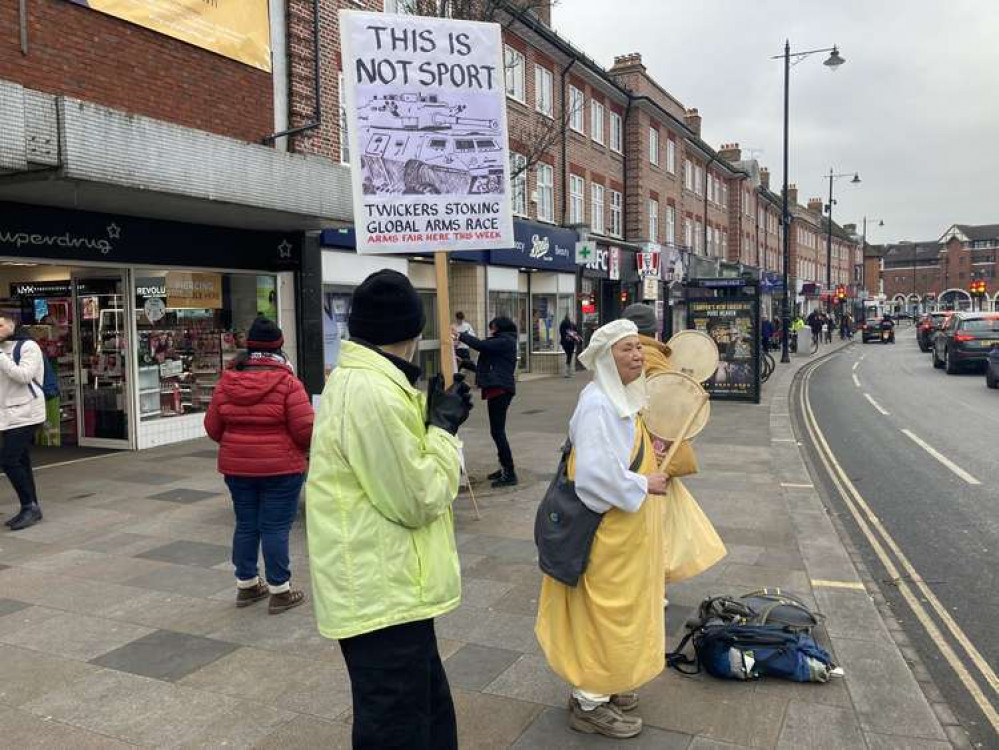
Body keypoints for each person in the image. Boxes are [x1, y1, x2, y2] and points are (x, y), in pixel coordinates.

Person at [306, 269, 473, 750]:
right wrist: (442, 431)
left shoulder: (371, 382)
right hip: (382, 595)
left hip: (393, 588)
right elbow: (416, 497)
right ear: (412, 331)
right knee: (399, 727)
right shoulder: (372, 392)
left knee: (425, 716)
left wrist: (429, 418)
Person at [535, 319, 671, 740]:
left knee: (624, 610)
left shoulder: (620, 399)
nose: (636, 355)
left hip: (624, 536)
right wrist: (643, 482)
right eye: (625, 349)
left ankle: (607, 683)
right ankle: (589, 700)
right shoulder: (598, 403)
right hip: (606, 534)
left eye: (637, 348)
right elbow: (594, 479)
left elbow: (622, 450)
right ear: (605, 358)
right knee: (604, 614)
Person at [204, 317, 313, 614]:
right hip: (282, 469)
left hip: (238, 470)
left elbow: (212, 427)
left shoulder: (227, 381)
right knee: (275, 527)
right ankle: (280, 590)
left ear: (249, 346)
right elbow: (305, 430)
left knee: (247, 524)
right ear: (279, 347)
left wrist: (238, 445)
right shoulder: (289, 383)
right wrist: (297, 451)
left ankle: (247, 585)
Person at [457, 317, 519, 488]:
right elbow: (487, 367)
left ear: (499, 327)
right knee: (496, 431)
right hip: (496, 388)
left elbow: (482, 346)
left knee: (498, 432)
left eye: (492, 326)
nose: (490, 329)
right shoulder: (502, 341)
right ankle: (503, 467)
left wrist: (461, 336)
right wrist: (465, 364)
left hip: (501, 389)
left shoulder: (505, 341)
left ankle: (509, 472)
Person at [0, 315, 46, 531]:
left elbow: (24, 376)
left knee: (8, 460)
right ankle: (31, 506)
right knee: (21, 460)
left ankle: (29, 505)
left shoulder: (28, 346)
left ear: (12, 325)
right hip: (7, 414)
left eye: (0, 325)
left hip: (28, 411)